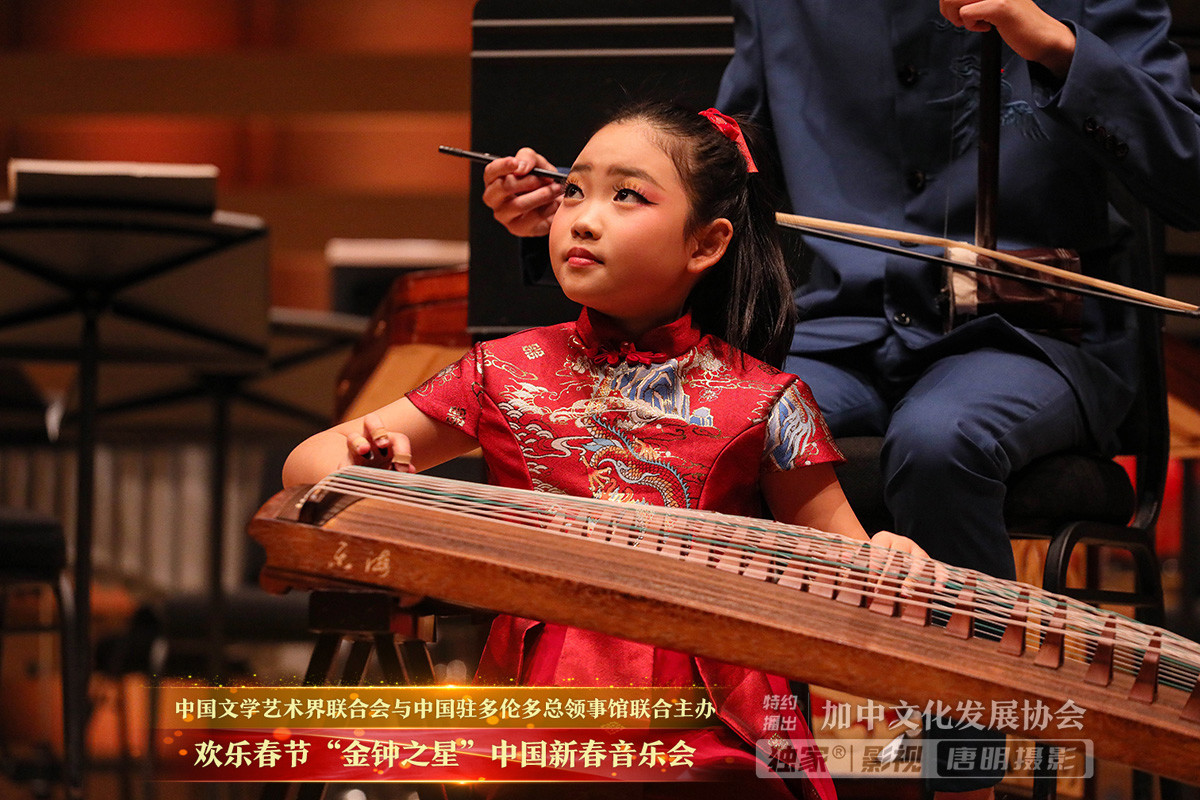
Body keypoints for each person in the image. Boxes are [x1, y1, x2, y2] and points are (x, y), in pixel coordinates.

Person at [480, 2, 1200, 795]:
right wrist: (577, 201)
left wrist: (1056, 43)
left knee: (941, 440)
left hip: (1029, 333)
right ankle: (716, 751)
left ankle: (966, 773)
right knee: (699, 422)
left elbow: (1188, 172)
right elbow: (725, 160)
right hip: (844, 325)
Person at [285, 101, 932, 798]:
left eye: (627, 196)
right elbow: (309, 461)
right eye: (574, 190)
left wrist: (887, 562)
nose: (584, 218)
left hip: (715, 727)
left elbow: (845, 562)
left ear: (705, 244)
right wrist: (380, 478)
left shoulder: (766, 399)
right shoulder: (504, 370)